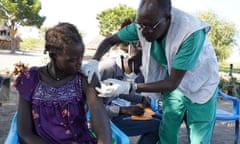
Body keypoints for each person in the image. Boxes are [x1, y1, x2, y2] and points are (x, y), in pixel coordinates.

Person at [81, 0, 220, 143]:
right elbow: (110, 41)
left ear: (167, 19)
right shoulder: (143, 25)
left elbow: (172, 82)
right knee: (166, 131)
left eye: (149, 27)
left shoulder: (190, 32)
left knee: (198, 138)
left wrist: (130, 87)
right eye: (140, 25)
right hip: (170, 88)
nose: (143, 31)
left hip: (201, 85)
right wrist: (94, 61)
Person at [14, 22, 112, 144]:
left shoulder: (84, 79)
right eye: (72, 60)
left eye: (81, 57)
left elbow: (103, 129)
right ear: (52, 55)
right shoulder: (30, 79)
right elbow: (25, 133)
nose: (79, 63)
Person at [99, 44, 161, 144]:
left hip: (110, 115)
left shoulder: (119, 69)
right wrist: (123, 110)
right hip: (101, 122)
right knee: (158, 126)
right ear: (130, 61)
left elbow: (118, 92)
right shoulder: (106, 69)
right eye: (137, 70)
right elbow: (91, 108)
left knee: (159, 118)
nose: (137, 74)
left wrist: (142, 100)